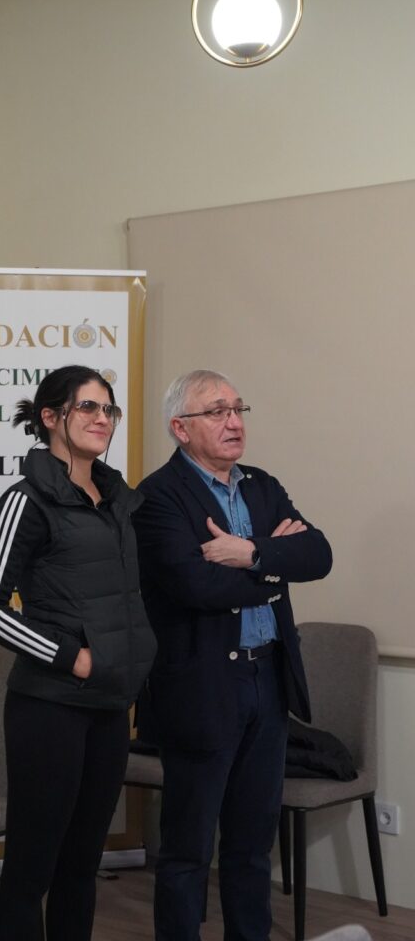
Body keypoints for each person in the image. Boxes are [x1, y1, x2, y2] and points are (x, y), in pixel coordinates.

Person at [132, 369, 332, 941]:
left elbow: (318, 555)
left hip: (267, 679)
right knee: (188, 849)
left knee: (251, 845)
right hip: (200, 689)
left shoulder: (261, 486)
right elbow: (195, 586)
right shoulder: (157, 496)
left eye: (238, 409)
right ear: (180, 428)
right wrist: (274, 568)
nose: (234, 422)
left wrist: (248, 553)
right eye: (217, 411)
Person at [0, 364, 156, 941]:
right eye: (88, 407)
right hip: (48, 708)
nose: (102, 419)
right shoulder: (27, 500)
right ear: (51, 417)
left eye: (108, 409)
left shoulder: (116, 499)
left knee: (81, 866)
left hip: (109, 706)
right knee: (32, 869)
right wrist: (71, 657)